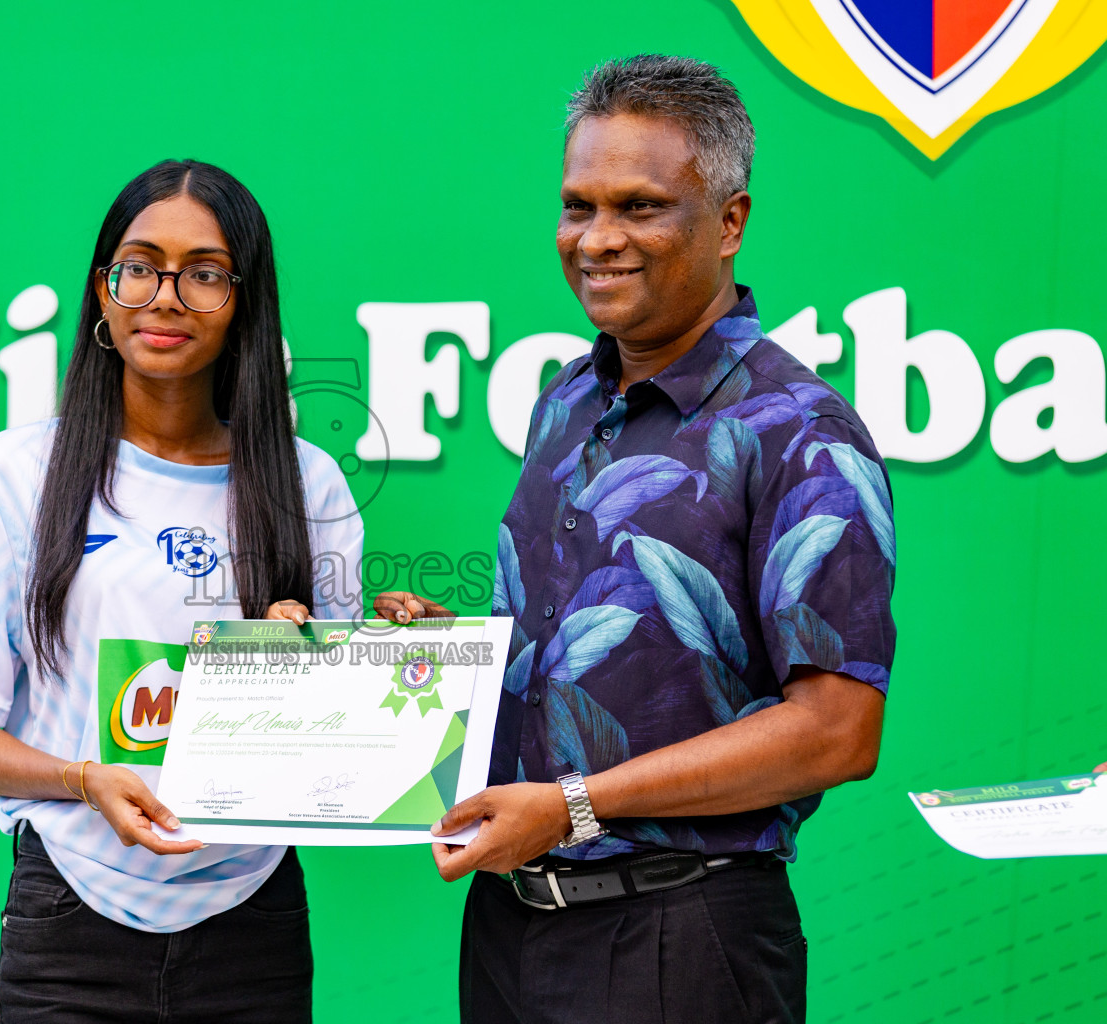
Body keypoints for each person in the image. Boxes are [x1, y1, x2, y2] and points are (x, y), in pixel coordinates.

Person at [377, 56, 895, 1023]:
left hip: (681, 942)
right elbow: (599, 673)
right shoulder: (566, 402)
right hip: (509, 929)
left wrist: (572, 805)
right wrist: (447, 664)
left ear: (730, 220)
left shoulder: (800, 430)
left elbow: (837, 730)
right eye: (579, 206)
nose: (598, 239)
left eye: (641, 207)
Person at [0, 159, 363, 1023]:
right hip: (69, 916)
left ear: (245, 305)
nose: (164, 296)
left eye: (203, 274)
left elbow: (338, 749)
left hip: (251, 922)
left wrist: (309, 660)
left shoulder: (309, 484)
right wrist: (87, 780)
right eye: (140, 267)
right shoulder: (17, 475)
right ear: (103, 295)